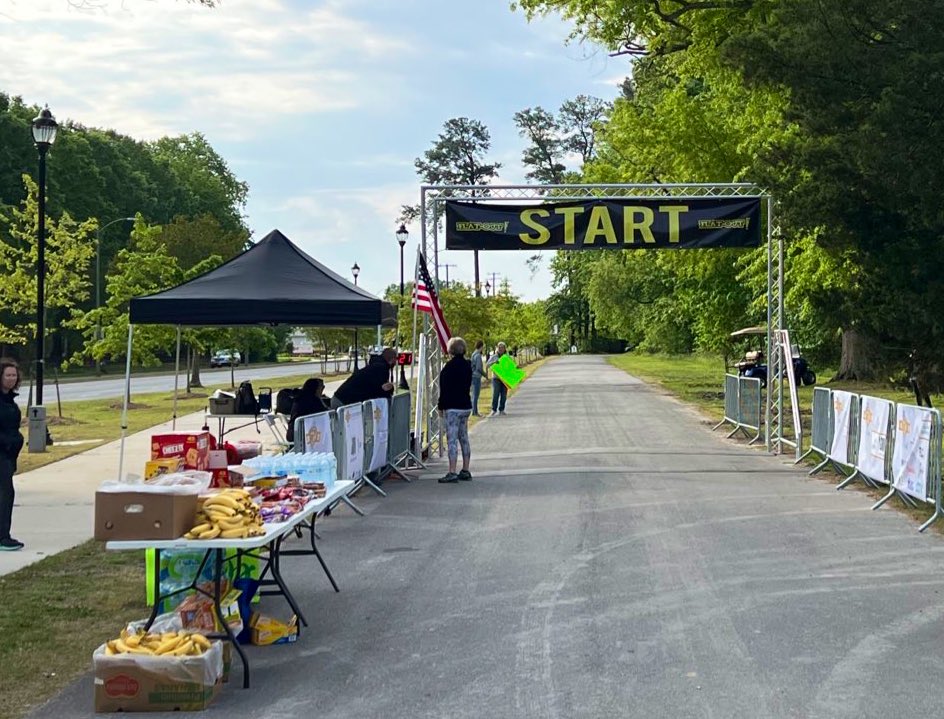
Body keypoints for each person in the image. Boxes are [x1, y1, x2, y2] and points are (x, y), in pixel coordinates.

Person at [437, 337, 472, 483]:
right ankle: (465, 469)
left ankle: (452, 471)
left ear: (450, 350)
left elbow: (444, 389)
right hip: (465, 405)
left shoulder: (448, 368)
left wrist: (441, 406)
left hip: (452, 407)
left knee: (451, 439)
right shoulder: (467, 366)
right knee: (463, 437)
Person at [0, 358, 25, 551]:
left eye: (13, 375)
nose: (11, 378)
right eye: (7, 375)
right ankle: (3, 537)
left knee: (6, 493)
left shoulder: (9, 400)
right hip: (2, 453)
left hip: (9, 455)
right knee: (5, 493)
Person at [330, 347, 396, 409]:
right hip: (345, 402)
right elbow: (382, 391)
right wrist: (390, 389)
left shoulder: (375, 365)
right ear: (392, 359)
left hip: (340, 398)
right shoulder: (381, 369)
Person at [286, 378, 329, 443]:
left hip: (293, 432)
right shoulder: (313, 401)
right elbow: (326, 413)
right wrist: (320, 399)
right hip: (303, 434)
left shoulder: (300, 397)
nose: (323, 389)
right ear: (315, 388)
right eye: (322, 387)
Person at [485, 341, 509, 416]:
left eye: (502, 347)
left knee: (504, 394)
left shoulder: (506, 357)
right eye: (499, 347)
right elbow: (487, 365)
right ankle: (493, 409)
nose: (501, 349)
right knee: (495, 394)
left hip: (505, 378)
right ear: (497, 348)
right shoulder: (494, 356)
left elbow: (511, 367)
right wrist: (495, 362)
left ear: (504, 348)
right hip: (496, 378)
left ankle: (502, 409)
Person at [470, 339, 486, 417]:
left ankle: (474, 411)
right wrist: (485, 374)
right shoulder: (478, 355)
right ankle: (475, 412)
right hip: (476, 377)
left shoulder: (473, 354)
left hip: (472, 376)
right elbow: (479, 368)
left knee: (473, 395)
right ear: (481, 346)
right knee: (476, 395)